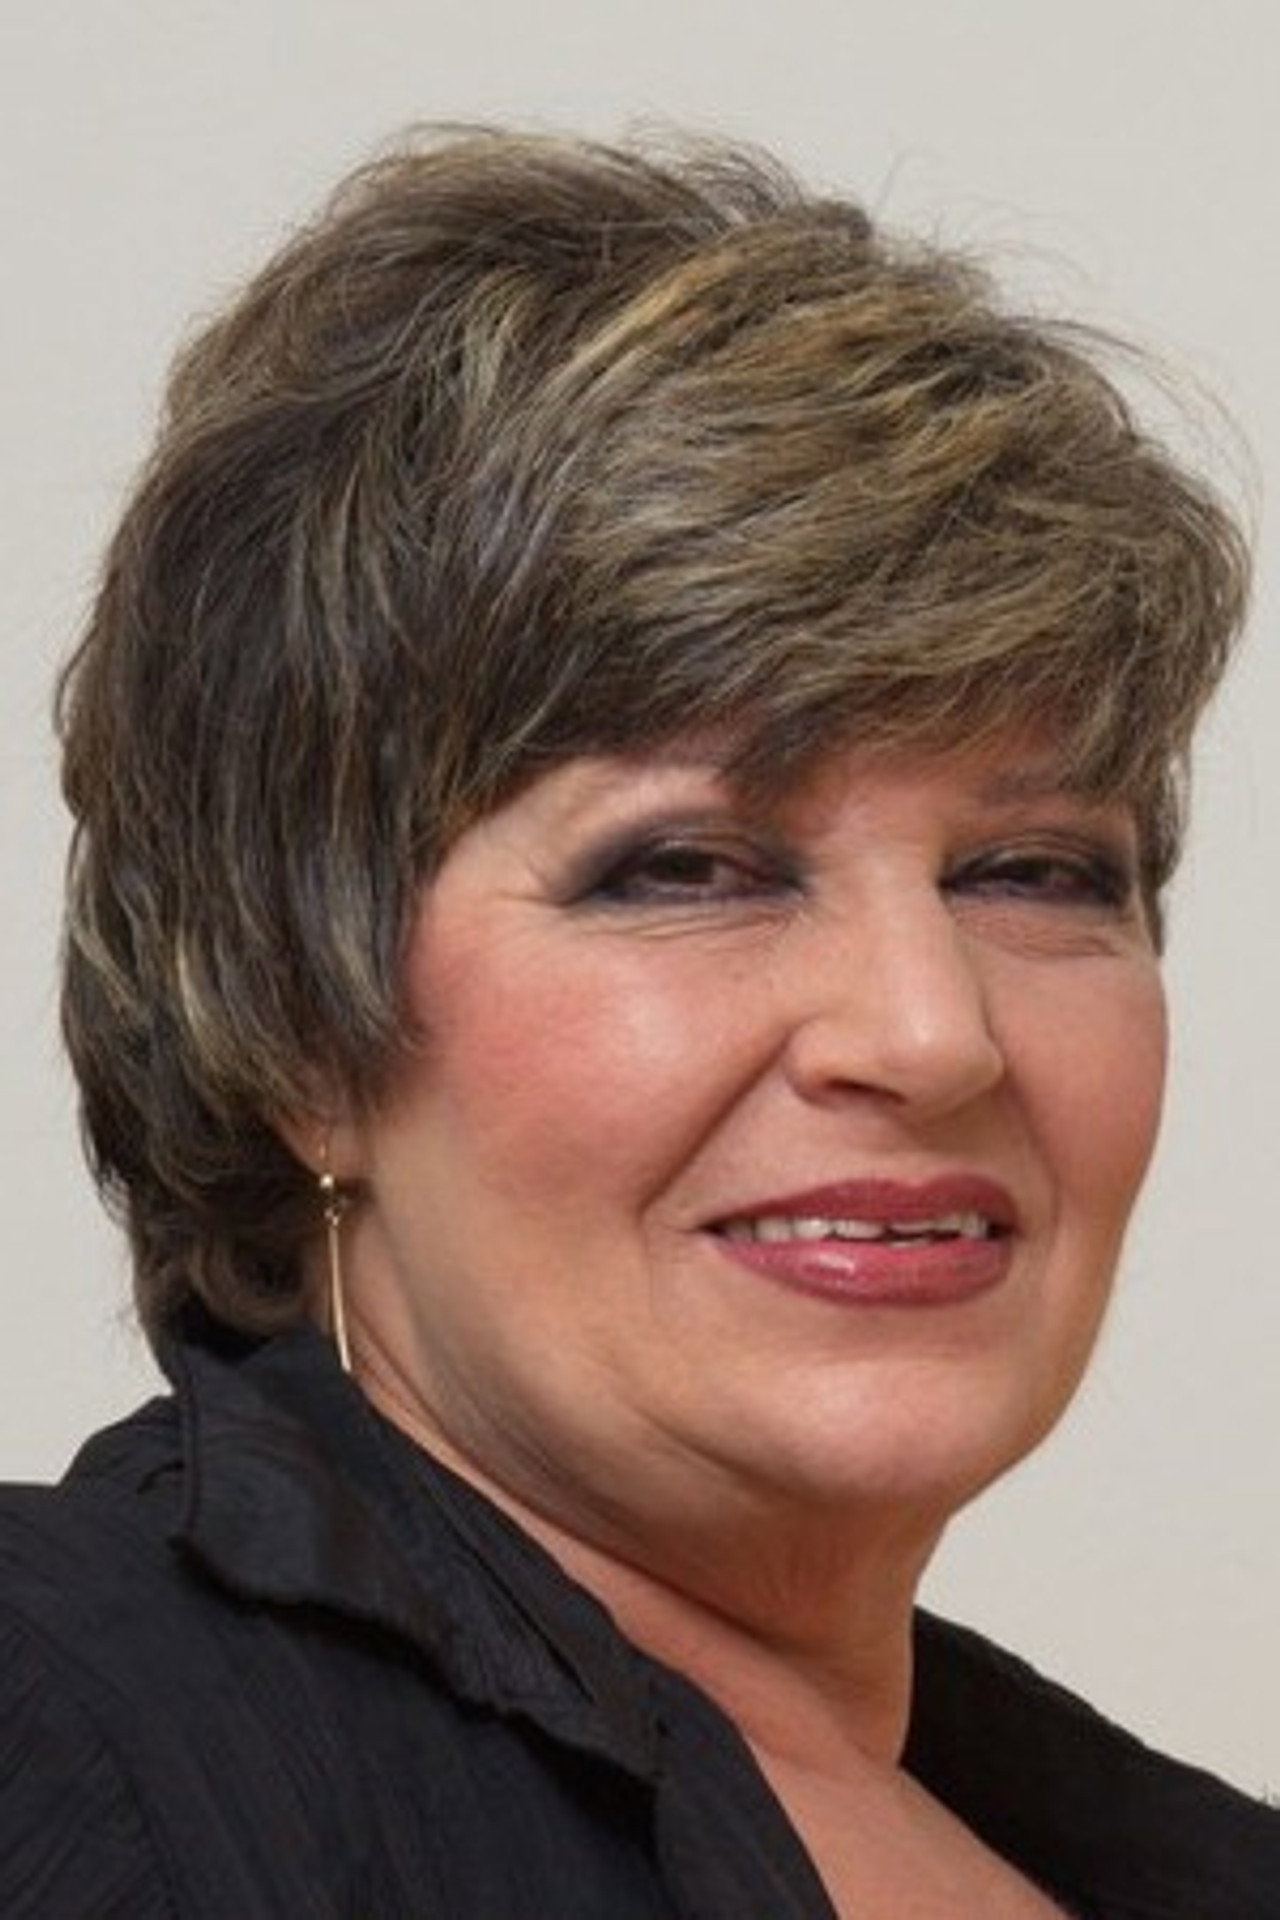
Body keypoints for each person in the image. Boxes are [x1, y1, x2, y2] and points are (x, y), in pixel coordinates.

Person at [1, 125, 1275, 1918]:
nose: (932, 1034)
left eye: (1035, 872)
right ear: (293, 1022)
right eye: (687, 868)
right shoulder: (64, 1726)